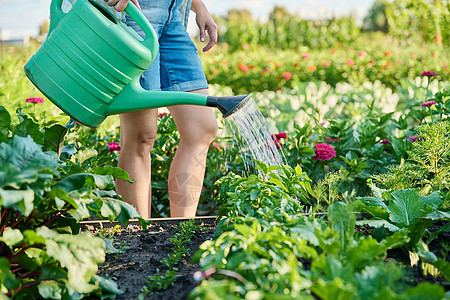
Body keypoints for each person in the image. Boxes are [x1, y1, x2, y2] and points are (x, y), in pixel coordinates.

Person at [63, 0, 218, 219]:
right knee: (141, 136)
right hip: (133, 13)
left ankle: (181, 235)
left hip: (174, 17)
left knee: (201, 129)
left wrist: (199, 7)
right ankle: (137, 240)